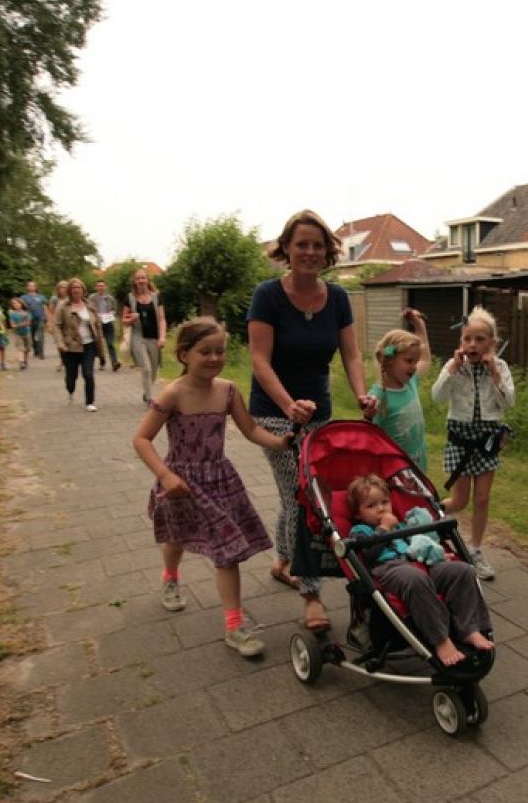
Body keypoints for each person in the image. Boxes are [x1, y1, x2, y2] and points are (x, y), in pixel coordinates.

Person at [247, 209, 378, 630]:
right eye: (301, 244)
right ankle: (311, 594)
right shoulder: (267, 295)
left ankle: (283, 560)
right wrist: (288, 405)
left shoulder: (337, 298)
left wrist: (362, 394)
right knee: (305, 496)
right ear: (286, 248)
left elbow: (351, 355)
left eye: (317, 245)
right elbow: (259, 359)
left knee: (297, 491)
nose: (310, 252)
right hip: (274, 414)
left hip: (319, 413)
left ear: (328, 252)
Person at [132, 318, 292, 655]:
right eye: (205, 351)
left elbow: (250, 430)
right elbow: (142, 439)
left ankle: (234, 626)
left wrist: (281, 443)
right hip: (180, 483)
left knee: (227, 551)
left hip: (220, 481)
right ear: (184, 354)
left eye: (220, 351)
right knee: (175, 537)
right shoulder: (173, 393)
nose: (214, 358)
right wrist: (166, 476)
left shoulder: (228, 390)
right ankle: (170, 577)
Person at [346, 475, 494, 667]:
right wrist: (384, 528)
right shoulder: (360, 531)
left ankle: (469, 629)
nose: (381, 508)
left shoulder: (400, 525)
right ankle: (440, 639)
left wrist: (437, 554)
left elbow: (418, 545)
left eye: (384, 502)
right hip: (390, 569)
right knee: (415, 579)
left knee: (462, 571)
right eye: (371, 505)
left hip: (419, 563)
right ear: (358, 513)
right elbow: (369, 554)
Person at [431, 306, 515, 580]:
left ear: (492, 343)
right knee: (460, 500)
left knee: (482, 498)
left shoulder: (500, 368)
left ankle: (476, 551)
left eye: (480, 339)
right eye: (467, 338)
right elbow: (437, 397)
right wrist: (452, 369)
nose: (472, 344)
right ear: (461, 342)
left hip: (487, 442)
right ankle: (428, 514)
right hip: (460, 441)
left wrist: (495, 374)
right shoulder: (455, 367)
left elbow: (508, 402)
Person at [363, 310, 432, 472]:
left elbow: (425, 358)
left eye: (415, 361)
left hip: (419, 467)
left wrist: (420, 326)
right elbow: (368, 438)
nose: (414, 366)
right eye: (409, 361)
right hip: (396, 472)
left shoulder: (410, 382)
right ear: (389, 360)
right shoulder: (377, 397)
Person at [54, 279, 107, 411]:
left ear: (83, 290)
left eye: (79, 288)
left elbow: (97, 325)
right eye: (73, 288)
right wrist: (60, 343)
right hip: (70, 347)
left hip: (89, 344)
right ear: (69, 291)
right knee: (71, 377)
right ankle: (70, 390)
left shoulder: (90, 305)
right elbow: (57, 326)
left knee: (88, 374)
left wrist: (100, 343)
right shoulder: (63, 306)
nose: (76, 290)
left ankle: (90, 402)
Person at [122, 267, 166, 404]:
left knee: (153, 371)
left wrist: (162, 337)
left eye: (143, 278)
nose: (141, 281)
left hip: (154, 337)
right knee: (146, 369)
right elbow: (124, 320)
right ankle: (150, 399)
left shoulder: (156, 297)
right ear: (134, 282)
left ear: (147, 280)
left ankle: (147, 393)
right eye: (138, 278)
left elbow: (162, 319)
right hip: (138, 337)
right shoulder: (129, 298)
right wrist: (132, 319)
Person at [92, 279, 121, 373]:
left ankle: (114, 362)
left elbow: (114, 309)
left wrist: (111, 313)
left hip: (108, 322)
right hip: (97, 323)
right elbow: (89, 309)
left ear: (105, 287)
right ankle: (102, 361)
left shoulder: (110, 298)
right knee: (99, 345)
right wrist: (96, 315)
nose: (100, 287)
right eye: (99, 286)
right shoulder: (92, 298)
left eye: (102, 286)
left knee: (110, 343)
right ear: (96, 287)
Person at [20, 280, 49, 359]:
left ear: (36, 287)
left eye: (33, 285)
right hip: (29, 319)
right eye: (30, 285)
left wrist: (47, 317)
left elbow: (45, 307)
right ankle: (36, 350)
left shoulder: (41, 297)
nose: (31, 287)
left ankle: (41, 352)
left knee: (40, 335)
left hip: (40, 318)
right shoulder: (23, 297)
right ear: (27, 287)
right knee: (32, 336)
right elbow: (21, 308)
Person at [48, 279, 70, 372]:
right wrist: (50, 324)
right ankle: (62, 361)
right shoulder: (54, 299)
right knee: (59, 343)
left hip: (68, 324)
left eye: (65, 287)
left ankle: (68, 361)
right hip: (57, 324)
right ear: (58, 289)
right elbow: (50, 312)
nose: (63, 289)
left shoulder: (70, 298)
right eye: (61, 287)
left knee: (68, 342)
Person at [7, 297, 32, 370]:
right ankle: (21, 362)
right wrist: (21, 324)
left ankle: (25, 360)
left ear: (21, 304)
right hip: (17, 334)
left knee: (27, 348)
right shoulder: (12, 314)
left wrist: (18, 325)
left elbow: (28, 323)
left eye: (17, 303)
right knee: (20, 348)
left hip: (26, 332)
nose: (16, 305)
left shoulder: (26, 313)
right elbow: (12, 325)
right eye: (14, 304)